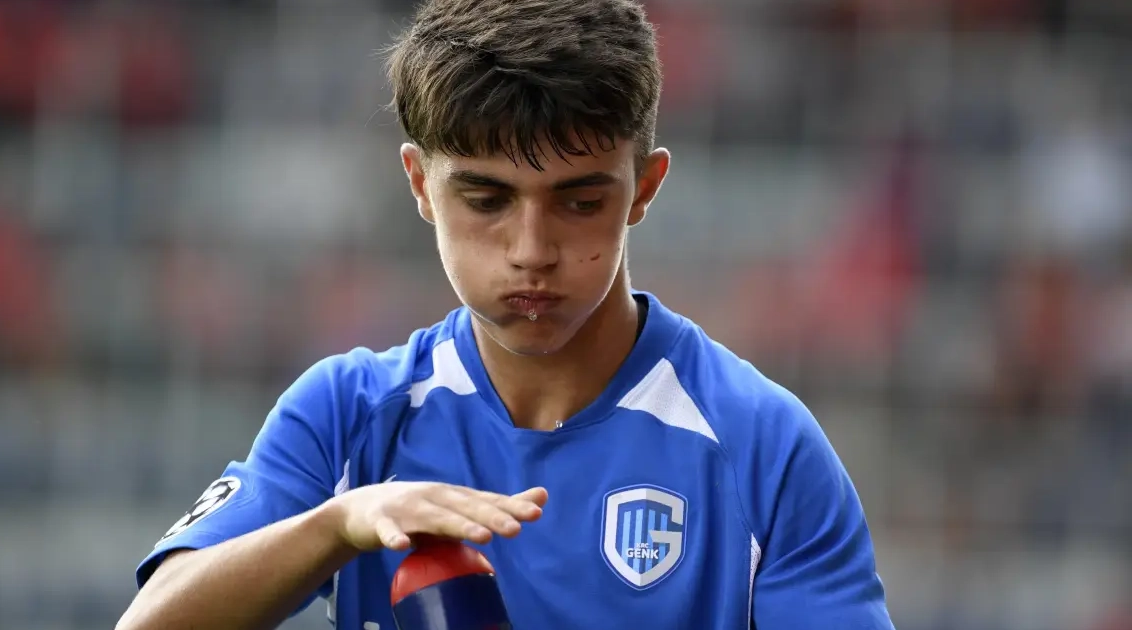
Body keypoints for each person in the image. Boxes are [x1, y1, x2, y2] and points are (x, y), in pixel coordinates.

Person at [116, 0, 895, 628]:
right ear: (420, 185)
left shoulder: (763, 444)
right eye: (486, 200)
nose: (532, 250)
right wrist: (336, 526)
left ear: (645, 188)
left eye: (579, 202)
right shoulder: (347, 417)